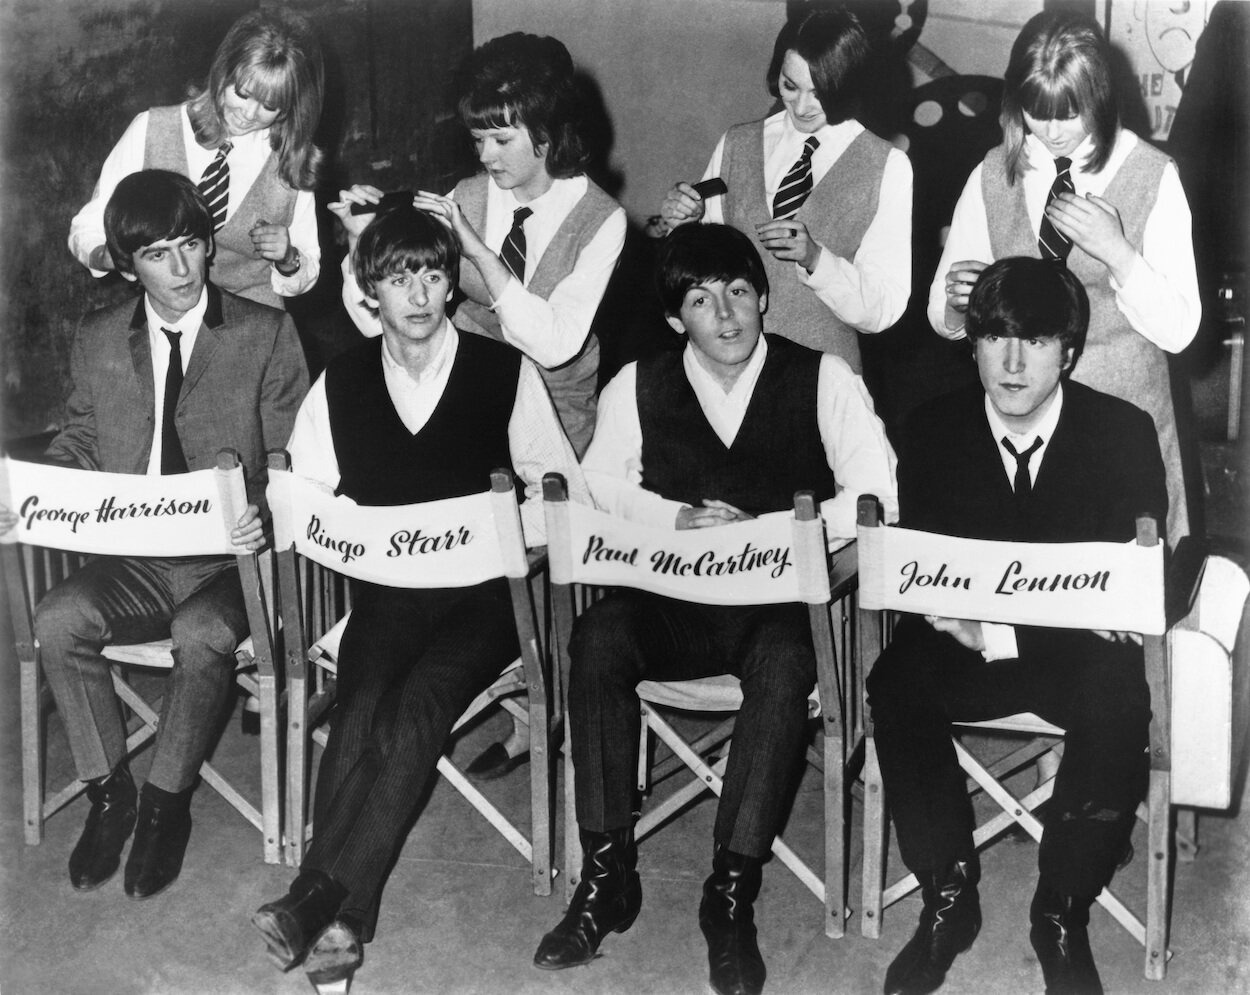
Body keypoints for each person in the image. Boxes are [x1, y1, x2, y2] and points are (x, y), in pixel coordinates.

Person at [532, 223, 897, 995]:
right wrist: (673, 519)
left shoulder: (822, 376)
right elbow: (599, 488)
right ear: (676, 319)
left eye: (738, 292)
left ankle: (729, 894)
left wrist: (772, 529)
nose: (725, 314)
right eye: (701, 300)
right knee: (597, 637)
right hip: (674, 595)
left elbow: (876, 496)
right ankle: (606, 876)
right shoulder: (638, 381)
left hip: (772, 603)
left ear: (764, 297)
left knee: (786, 660)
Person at [250, 204, 588, 989]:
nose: (421, 292)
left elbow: (558, 489)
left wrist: (515, 526)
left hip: (483, 600)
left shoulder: (504, 370)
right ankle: (333, 914)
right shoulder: (343, 379)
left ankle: (323, 899)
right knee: (363, 700)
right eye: (401, 276)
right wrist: (280, 513)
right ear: (370, 288)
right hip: (388, 595)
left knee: (420, 703)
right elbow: (301, 494)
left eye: (435, 273)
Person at [4, 169, 308, 900]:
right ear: (127, 264)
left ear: (209, 245)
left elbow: (293, 457)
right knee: (57, 617)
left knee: (203, 633)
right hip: (136, 554)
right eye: (157, 254)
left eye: (191, 247)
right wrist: (27, 495)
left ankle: (164, 806)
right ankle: (111, 793)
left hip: (227, 562)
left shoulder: (264, 331)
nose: (179, 269)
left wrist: (263, 511)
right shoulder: (102, 335)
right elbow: (80, 439)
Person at [871, 257, 1167, 995]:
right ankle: (949, 890)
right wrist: (977, 618)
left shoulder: (1124, 433)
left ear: (1068, 350)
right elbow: (927, 580)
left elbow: (1127, 600)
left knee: (1118, 690)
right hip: (961, 644)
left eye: (1034, 341)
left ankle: (1060, 909)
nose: (1010, 361)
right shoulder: (930, 429)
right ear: (969, 343)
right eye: (994, 337)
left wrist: (999, 628)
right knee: (896, 677)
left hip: (1062, 658)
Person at [927, 9, 1198, 546]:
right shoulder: (992, 173)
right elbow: (942, 315)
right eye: (1036, 111)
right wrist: (958, 303)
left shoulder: (1153, 176)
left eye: (1068, 113)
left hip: (1125, 435)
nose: (1051, 131)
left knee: (1124, 605)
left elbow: (1181, 330)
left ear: (1099, 96)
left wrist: (1121, 255)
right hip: (1023, 432)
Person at [337, 31, 625, 459]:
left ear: (547, 134)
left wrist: (478, 252)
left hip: (555, 421)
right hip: (469, 404)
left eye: (502, 141)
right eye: (477, 139)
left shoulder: (602, 220)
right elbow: (385, 322)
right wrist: (361, 239)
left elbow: (554, 345)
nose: (486, 156)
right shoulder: (465, 197)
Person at [659, 6, 911, 372]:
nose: (802, 106)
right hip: (729, 370)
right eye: (790, 86)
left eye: (820, 92)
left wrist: (816, 260)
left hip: (824, 376)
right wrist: (682, 224)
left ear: (848, 84)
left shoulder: (887, 165)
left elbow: (882, 309)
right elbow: (696, 267)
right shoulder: (737, 143)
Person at [68, 8, 325, 309]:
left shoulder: (292, 162)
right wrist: (105, 255)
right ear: (222, 73)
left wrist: (288, 258)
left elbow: (308, 267)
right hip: (167, 315)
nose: (249, 113)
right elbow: (88, 227)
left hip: (253, 323)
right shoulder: (151, 130)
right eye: (242, 93)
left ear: (288, 108)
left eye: (270, 105)